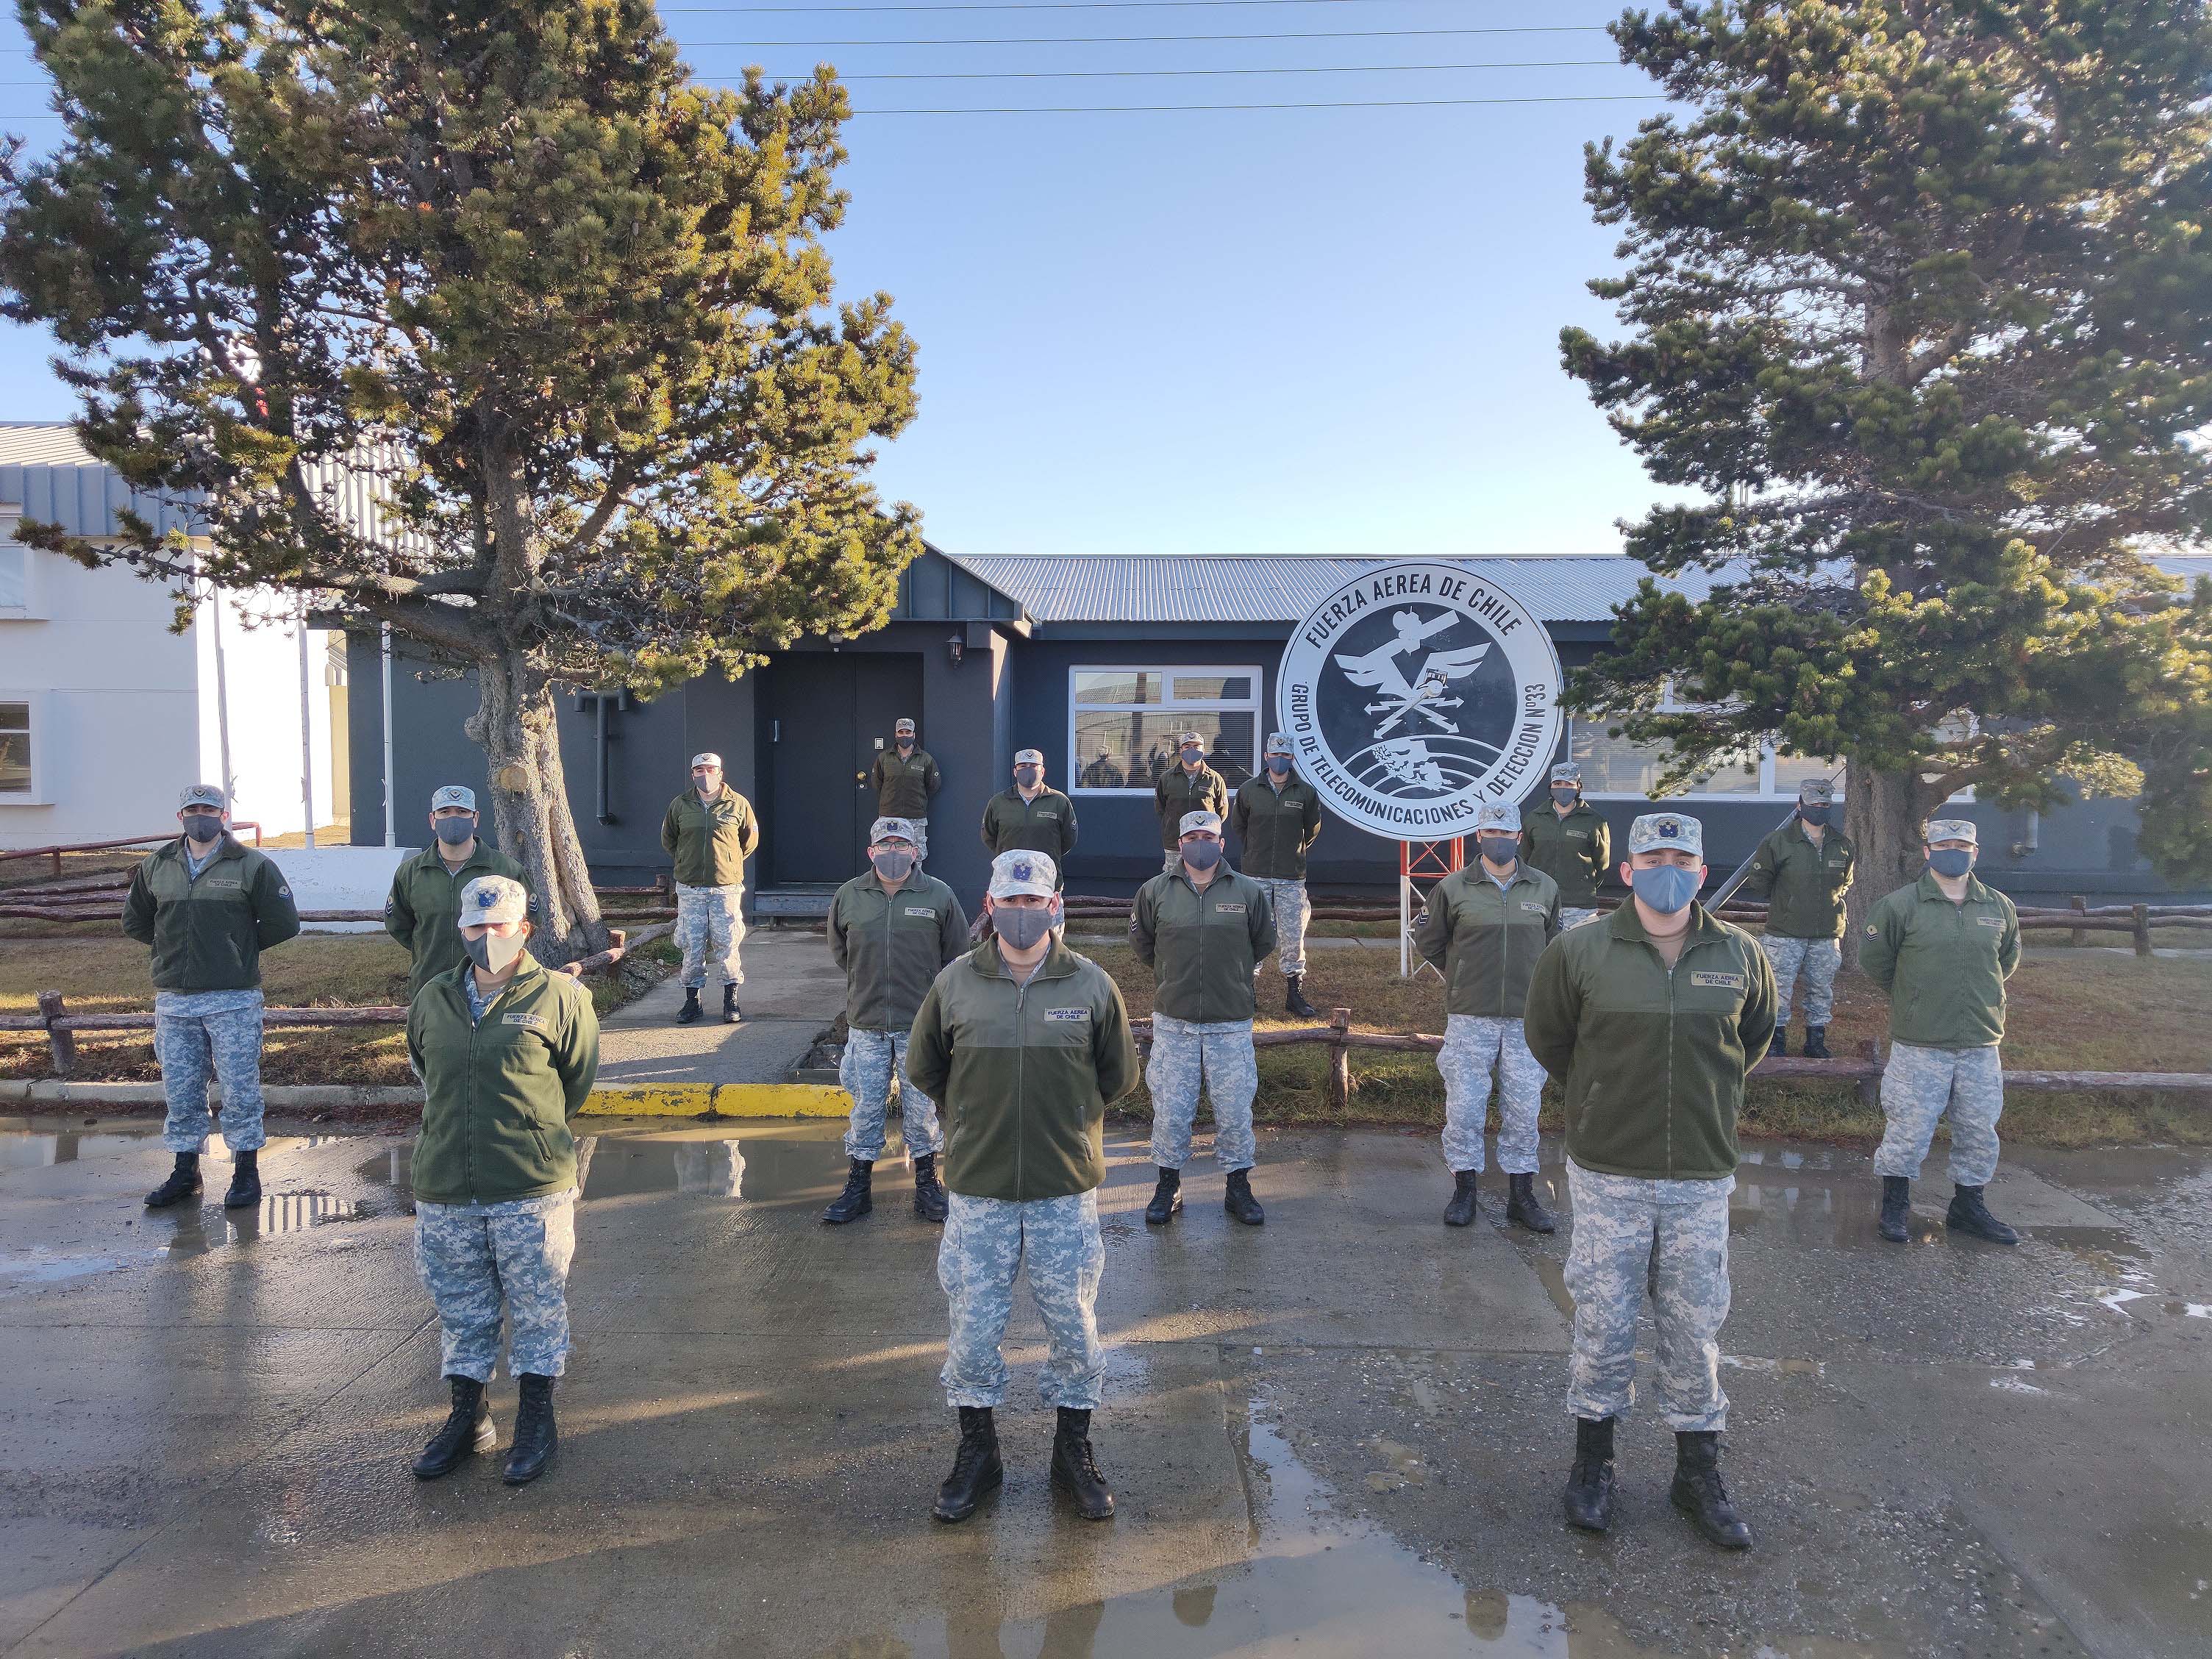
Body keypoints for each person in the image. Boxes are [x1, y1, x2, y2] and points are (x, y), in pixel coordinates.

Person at [1524, 812, 1775, 1551]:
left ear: (1700, 873)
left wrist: (1704, 1101)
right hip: (1609, 1171)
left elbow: (1749, 1041)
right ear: (1626, 871)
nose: (1668, 867)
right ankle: (1592, 1465)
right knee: (1603, 1324)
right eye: (1653, 856)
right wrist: (1601, 1096)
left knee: (1694, 1329)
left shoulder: (1737, 953)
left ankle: (1695, 1474)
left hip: (1699, 1172)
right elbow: (1551, 1039)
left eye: (1682, 858)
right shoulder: (1579, 951)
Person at [906, 849, 1140, 1525]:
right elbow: (927, 1068)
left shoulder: (1092, 986)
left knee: (1074, 1323)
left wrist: (1064, 1123)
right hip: (978, 1190)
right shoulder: (955, 985)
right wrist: (978, 1120)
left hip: (1062, 1187)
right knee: (974, 1330)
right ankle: (978, 1452)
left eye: (1032, 902)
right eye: (1008, 902)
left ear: (1054, 905)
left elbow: (1117, 1076)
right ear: (989, 904)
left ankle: (1074, 1450)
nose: (1019, 913)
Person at [405, 875, 600, 1486]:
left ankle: (538, 1420)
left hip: (528, 1185)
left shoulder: (560, 997)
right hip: (445, 1186)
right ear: (460, 930)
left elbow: (576, 1081)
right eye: (475, 927)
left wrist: (527, 1132)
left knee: (539, 1308)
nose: (488, 937)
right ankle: (470, 1418)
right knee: (462, 1310)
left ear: (525, 930)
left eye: (500, 927)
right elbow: (426, 1073)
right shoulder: (433, 998)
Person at [126, 785, 302, 1211]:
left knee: (240, 1088)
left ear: (224, 817)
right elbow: (137, 920)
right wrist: (174, 949)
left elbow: (283, 922)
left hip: (233, 998)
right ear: (180, 816)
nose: (200, 816)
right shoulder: (157, 865)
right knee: (181, 1088)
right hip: (175, 1000)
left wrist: (234, 948)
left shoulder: (251, 865)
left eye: (208, 809)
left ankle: (246, 1172)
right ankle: (185, 1171)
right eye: (192, 810)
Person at [1859, 818, 2022, 1246]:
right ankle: (1895, 1205)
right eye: (1944, 845)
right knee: (1909, 1129)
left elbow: (2004, 964)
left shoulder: (1998, 907)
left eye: (1962, 845)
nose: (1954, 851)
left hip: (1980, 1042)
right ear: (1928, 852)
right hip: (1920, 1043)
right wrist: (1915, 997)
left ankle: (1968, 1206)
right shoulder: (1900, 906)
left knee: (1978, 1129)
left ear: (1975, 851)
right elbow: (1877, 964)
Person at [1413, 801, 1560, 1232]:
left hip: (1525, 1017)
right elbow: (1431, 941)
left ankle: (1522, 1194)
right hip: (1470, 1017)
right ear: (1479, 837)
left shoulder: (1544, 888)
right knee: (1464, 1106)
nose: (1499, 840)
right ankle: (1464, 1191)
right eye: (1491, 832)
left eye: (1507, 833)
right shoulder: (1454, 888)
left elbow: (1554, 947)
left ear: (1519, 837)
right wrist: (1462, 975)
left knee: (1523, 1106)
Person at [1130, 810, 1278, 1228]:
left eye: (1208, 836)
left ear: (1222, 842)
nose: (1200, 843)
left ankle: (1237, 1186)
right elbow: (1143, 945)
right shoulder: (1156, 891)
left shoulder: (1247, 892)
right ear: (1180, 843)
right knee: (1171, 1111)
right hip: (1174, 1022)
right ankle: (1168, 1185)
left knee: (1234, 1110)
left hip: (1229, 1022)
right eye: (1192, 836)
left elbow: (1263, 941)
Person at [822, 818, 970, 1226]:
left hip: (919, 1024)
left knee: (920, 1107)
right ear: (871, 852)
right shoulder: (849, 895)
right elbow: (841, 951)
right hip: (867, 1022)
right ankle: (858, 1188)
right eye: (885, 845)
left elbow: (956, 953)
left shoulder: (938, 895)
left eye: (901, 845)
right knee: (866, 1108)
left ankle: (927, 1184)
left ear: (915, 851)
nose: (893, 852)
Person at [1738, 777, 1854, 1058]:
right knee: (1778, 990)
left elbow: (1846, 882)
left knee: (1821, 990)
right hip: (1785, 933)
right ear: (1800, 806)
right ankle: (1774, 1041)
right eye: (1814, 804)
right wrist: (1789, 901)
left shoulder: (1841, 844)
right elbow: (1761, 880)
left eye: (1825, 805)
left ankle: (1816, 1040)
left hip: (1826, 934)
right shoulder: (1778, 842)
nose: (1820, 809)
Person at [383, 785, 532, 999]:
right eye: (445, 812)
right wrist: (428, 948)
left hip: (494, 987)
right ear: (432, 820)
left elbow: (529, 920)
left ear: (475, 818)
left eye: (462, 812)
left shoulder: (504, 869)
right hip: (430, 985)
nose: (453, 818)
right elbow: (399, 925)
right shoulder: (411, 873)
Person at [659, 752, 759, 1026]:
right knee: (692, 945)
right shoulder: (680, 805)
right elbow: (669, 840)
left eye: (711, 769)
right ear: (693, 774)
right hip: (691, 889)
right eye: (700, 770)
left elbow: (748, 842)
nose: (706, 775)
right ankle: (693, 1001)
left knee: (727, 944)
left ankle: (731, 999)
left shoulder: (738, 804)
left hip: (725, 889)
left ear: (720, 773)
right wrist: (686, 861)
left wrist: (727, 863)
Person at [1230, 732, 1325, 1018]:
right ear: (1266, 757)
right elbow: (1240, 827)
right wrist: (1257, 851)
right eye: (1275, 755)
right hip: (1255, 874)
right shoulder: (1249, 790)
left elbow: (1312, 830)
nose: (1280, 760)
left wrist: (1291, 851)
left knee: (1293, 934)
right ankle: (1247, 990)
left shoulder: (1305, 793)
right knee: (1251, 932)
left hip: (1290, 876)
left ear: (1292, 758)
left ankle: (1294, 993)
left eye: (1285, 756)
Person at [1521, 762, 1610, 929]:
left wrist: (1581, 885)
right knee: (1540, 952)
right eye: (1558, 783)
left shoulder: (1594, 821)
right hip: (1538, 901)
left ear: (1578, 787)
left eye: (1569, 784)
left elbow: (1602, 864)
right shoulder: (1534, 819)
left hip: (1580, 905)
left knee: (1580, 952)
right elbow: (1524, 858)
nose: (1563, 788)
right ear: (1551, 786)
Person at [980, 749, 1077, 888]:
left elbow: (1069, 839)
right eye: (1023, 766)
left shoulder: (1059, 801)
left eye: (1033, 766)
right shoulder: (999, 802)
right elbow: (989, 837)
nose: (1028, 770)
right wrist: (1011, 857)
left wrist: (1047, 856)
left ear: (1042, 771)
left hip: (1046, 880)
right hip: (1008, 881)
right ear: (1015, 771)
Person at [1153, 731, 1229, 874]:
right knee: (1174, 884)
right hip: (1175, 844)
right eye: (1187, 746)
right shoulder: (1167, 778)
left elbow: (1221, 813)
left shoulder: (1214, 779)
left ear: (1203, 751)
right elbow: (1161, 809)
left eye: (1196, 746)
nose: (1191, 750)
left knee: (1204, 882)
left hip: (1204, 845)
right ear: (1181, 750)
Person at [871, 718, 941, 865]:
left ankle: (915, 887)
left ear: (914, 735)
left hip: (915, 816)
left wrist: (917, 799)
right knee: (886, 855)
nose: (904, 736)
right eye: (901, 732)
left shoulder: (925, 759)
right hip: (889, 816)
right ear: (896, 734)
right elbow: (877, 783)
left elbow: (933, 785)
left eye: (908, 732)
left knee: (916, 857)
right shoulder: (884, 758)